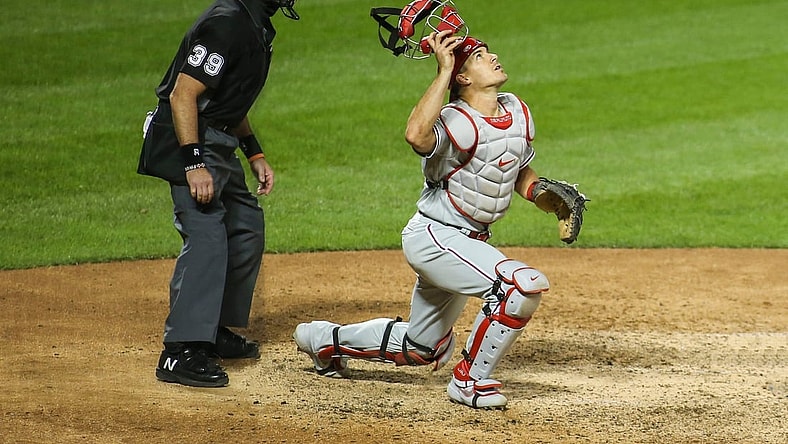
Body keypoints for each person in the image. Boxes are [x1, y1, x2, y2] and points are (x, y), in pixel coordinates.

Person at [293, 30, 554, 409]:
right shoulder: (455, 121)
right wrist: (443, 69)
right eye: (480, 57)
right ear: (462, 78)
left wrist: (547, 199)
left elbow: (517, 173)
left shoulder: (516, 111)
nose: (493, 56)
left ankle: (324, 341)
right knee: (520, 287)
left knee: (421, 348)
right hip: (434, 237)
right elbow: (416, 135)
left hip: (465, 243)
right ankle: (468, 382)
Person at [138, 0, 300, 388]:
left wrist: (254, 151)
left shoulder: (253, 23)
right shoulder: (227, 23)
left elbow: (229, 97)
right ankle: (180, 351)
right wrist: (193, 163)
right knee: (208, 235)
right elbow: (182, 94)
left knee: (245, 226)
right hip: (190, 139)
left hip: (219, 139)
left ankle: (209, 329)